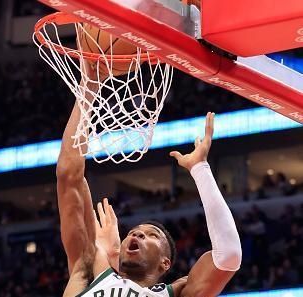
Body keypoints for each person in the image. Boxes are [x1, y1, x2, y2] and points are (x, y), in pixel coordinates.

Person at [56, 62, 241, 297]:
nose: (136, 234)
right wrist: (89, 87)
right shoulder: (86, 270)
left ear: (165, 263)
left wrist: (200, 168)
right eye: (133, 232)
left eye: (152, 235)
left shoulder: (174, 294)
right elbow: (68, 174)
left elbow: (228, 255)